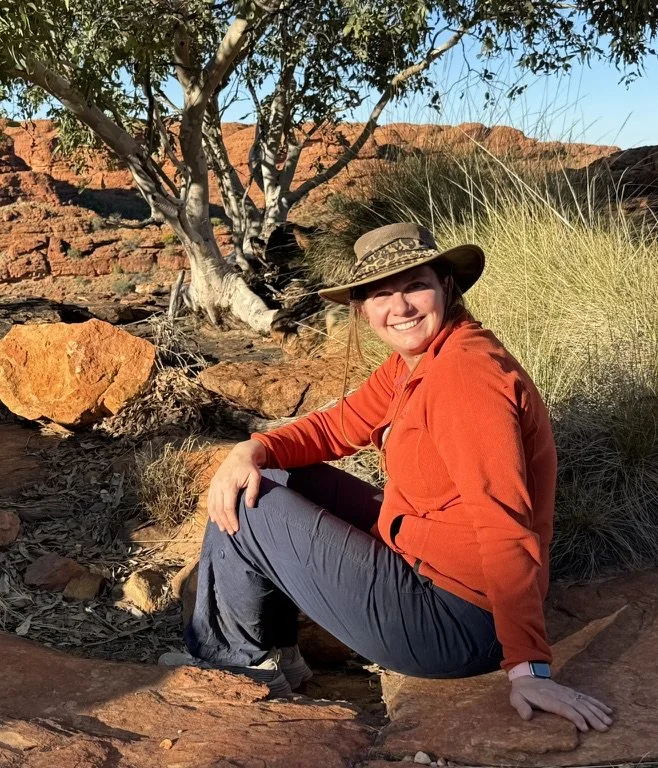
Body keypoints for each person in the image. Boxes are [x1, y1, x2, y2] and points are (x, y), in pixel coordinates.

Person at [160, 223, 613, 732]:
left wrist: (529, 667)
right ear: (362, 308)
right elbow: (338, 425)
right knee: (273, 473)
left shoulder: (465, 377)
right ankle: (276, 656)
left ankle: (234, 668)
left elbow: (503, 520)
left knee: (250, 505)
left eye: (414, 285)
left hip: (456, 623)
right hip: (422, 565)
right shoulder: (417, 361)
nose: (400, 308)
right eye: (380, 294)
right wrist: (256, 446)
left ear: (446, 285)